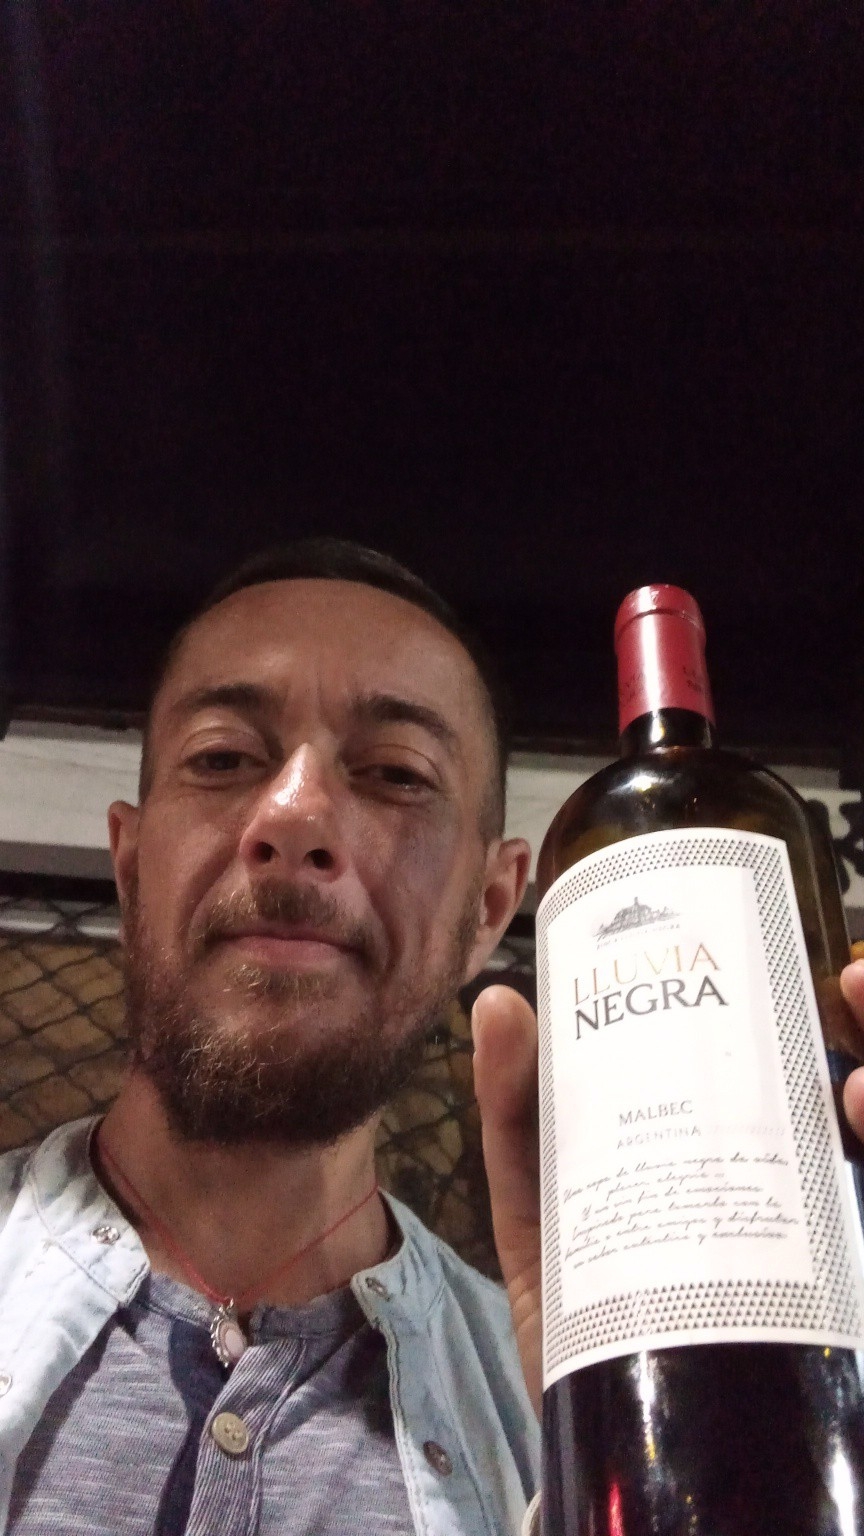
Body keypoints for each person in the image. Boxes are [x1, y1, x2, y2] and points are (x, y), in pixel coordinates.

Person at [2, 537, 864, 1535]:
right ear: (129, 863)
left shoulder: (555, 1418)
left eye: (396, 774)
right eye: (224, 758)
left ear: (490, 908)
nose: (295, 815)